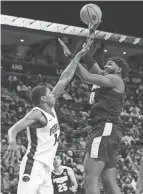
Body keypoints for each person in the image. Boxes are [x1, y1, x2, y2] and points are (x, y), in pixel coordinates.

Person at [5, 41, 91, 194]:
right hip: (34, 164)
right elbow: (14, 128)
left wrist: (78, 55)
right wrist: (12, 142)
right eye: (50, 93)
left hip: (47, 168)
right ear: (43, 99)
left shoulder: (50, 106)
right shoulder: (37, 113)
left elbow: (65, 78)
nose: (54, 94)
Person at [58, 26, 130, 194]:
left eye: (110, 64)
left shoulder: (114, 79)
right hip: (109, 129)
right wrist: (81, 47)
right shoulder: (106, 78)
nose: (106, 65)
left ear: (119, 69)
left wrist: (74, 57)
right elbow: (90, 61)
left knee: (90, 176)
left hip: (105, 127)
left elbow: (86, 76)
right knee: (108, 181)